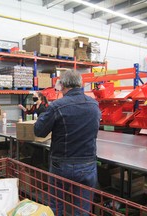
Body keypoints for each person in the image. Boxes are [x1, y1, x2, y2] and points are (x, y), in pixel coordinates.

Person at [34, 70, 101, 216]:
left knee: (56, 207)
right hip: (87, 164)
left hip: (62, 164)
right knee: (82, 210)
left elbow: (39, 131)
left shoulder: (57, 106)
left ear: (62, 85)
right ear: (80, 84)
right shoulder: (94, 105)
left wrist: (42, 114)